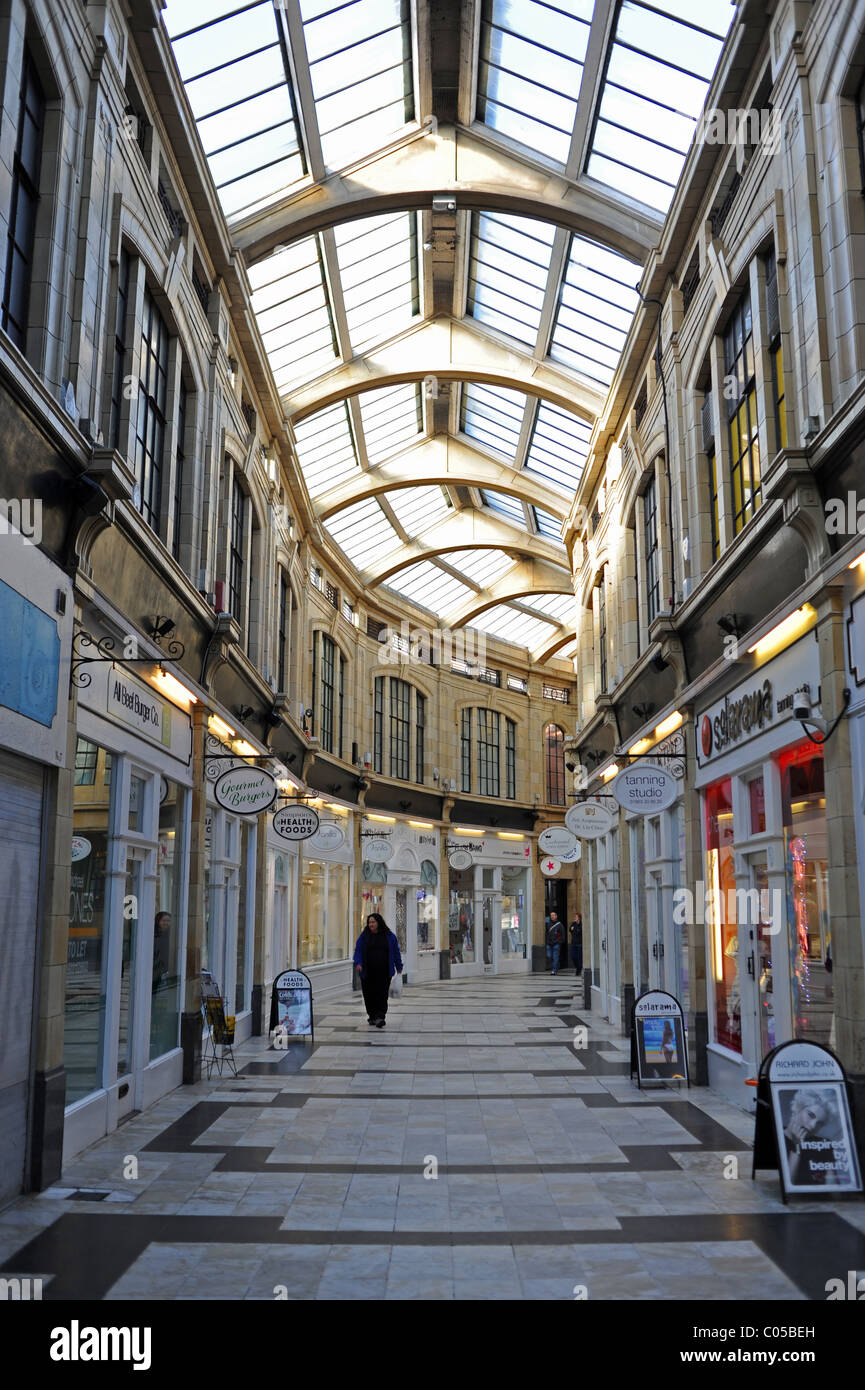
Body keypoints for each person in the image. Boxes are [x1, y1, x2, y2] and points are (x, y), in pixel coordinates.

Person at [353, 912, 403, 1028]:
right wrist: (358, 963)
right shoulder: (364, 936)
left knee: (381, 994)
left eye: (373, 922)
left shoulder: (389, 936)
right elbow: (358, 951)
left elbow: (396, 952)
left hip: (384, 972)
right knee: (369, 994)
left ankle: (380, 1016)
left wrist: (399, 966)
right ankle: (372, 1016)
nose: (371, 924)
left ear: (379, 922)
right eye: (369, 922)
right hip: (367, 972)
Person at [546, 910, 564, 975]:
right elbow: (547, 933)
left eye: (553, 915)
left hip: (556, 944)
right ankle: (556, 966)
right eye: (551, 916)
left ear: (556, 916)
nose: (552, 917)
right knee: (549, 956)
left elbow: (562, 934)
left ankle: (554, 970)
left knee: (555, 957)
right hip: (549, 943)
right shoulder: (548, 924)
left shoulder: (559, 925)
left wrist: (559, 942)